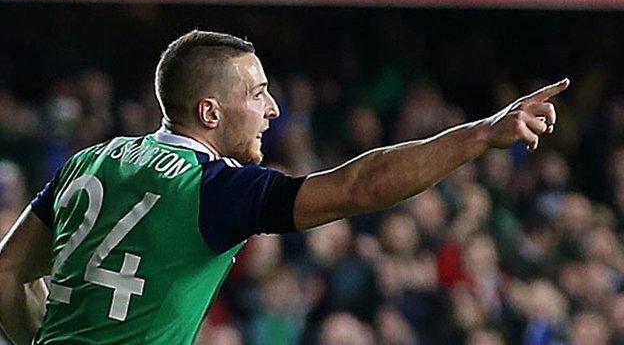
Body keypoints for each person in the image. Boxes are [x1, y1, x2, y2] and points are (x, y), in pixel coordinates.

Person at [0, 30, 569, 345]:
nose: (273, 109)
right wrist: (480, 135)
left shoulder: (87, 162)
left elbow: (6, 273)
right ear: (210, 111)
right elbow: (358, 187)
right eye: (257, 94)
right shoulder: (214, 188)